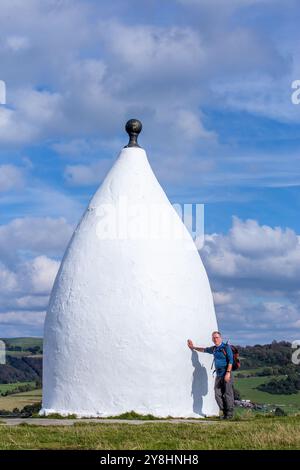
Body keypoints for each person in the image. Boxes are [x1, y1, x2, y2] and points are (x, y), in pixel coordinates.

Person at [187, 331, 234, 419]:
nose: (215, 339)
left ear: (220, 338)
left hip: (226, 373)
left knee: (228, 394)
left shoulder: (226, 347)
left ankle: (229, 414)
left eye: (217, 337)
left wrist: (228, 373)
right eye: (214, 338)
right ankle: (224, 412)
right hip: (219, 374)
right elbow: (204, 349)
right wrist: (193, 347)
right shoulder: (214, 349)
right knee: (217, 394)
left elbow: (231, 360)